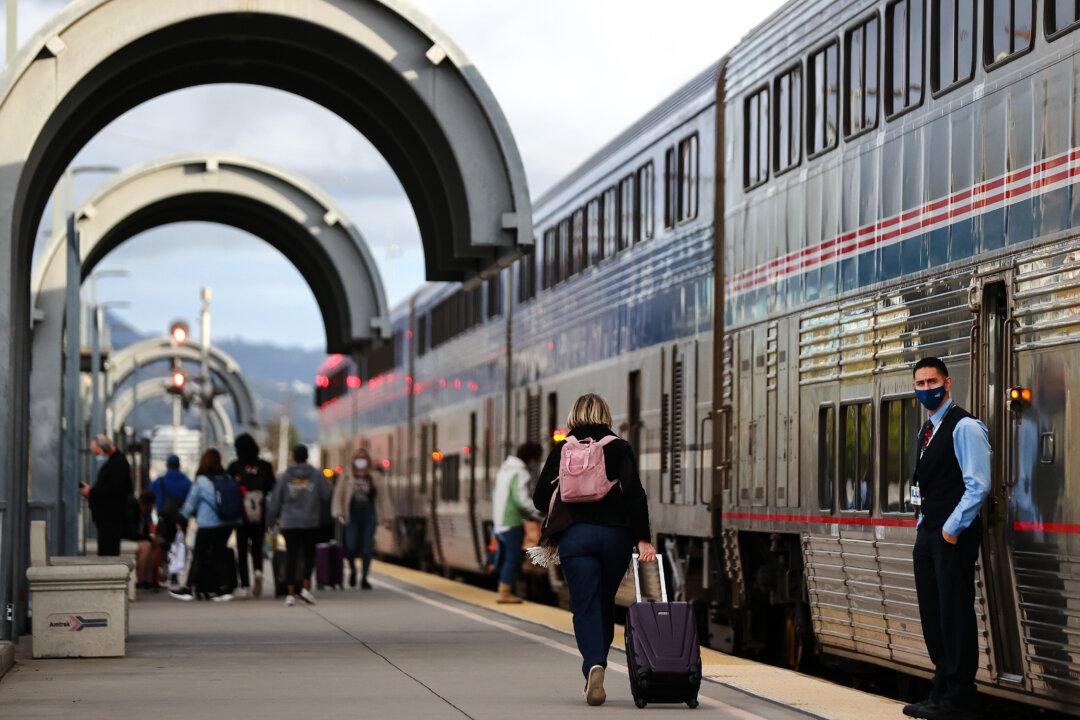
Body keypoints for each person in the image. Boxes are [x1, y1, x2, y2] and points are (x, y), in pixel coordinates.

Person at [532, 393, 655, 707]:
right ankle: (597, 662)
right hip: (615, 538)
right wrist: (643, 539)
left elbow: (538, 498)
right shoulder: (619, 447)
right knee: (604, 602)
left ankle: (593, 665)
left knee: (584, 606)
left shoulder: (563, 448)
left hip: (576, 538)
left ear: (573, 415)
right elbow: (635, 496)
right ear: (606, 414)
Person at [903, 357, 990, 720]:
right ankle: (942, 684)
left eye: (932, 382)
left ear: (948, 383)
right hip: (929, 533)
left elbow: (978, 485)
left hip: (951, 536)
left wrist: (950, 529)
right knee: (933, 613)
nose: (926, 389)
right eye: (920, 383)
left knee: (954, 611)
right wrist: (925, 523)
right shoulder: (928, 430)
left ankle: (959, 693)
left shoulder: (965, 426)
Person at [169, 449, 240, 602]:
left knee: (199, 556)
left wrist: (181, 517)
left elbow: (190, 503)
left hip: (208, 524)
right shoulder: (227, 477)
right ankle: (224, 588)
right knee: (220, 554)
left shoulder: (201, 481)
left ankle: (188, 588)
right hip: (227, 523)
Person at [267, 444, 331, 607]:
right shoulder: (316, 475)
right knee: (309, 555)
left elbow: (275, 501)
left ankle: (290, 593)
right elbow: (326, 494)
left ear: (294, 457)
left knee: (292, 556)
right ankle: (305, 588)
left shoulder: (284, 476)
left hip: (289, 523)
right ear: (307, 457)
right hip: (310, 521)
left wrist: (271, 520)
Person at [491, 441, 544, 603]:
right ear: (532, 458)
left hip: (500, 520)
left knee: (507, 556)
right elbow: (520, 499)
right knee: (513, 557)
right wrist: (536, 511)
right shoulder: (520, 473)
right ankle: (504, 592)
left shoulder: (505, 470)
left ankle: (505, 587)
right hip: (512, 520)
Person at [227, 434, 275, 598]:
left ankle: (245, 585)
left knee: (241, 548)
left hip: (241, 514)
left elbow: (230, 490)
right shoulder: (265, 466)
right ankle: (258, 572)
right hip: (259, 513)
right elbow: (271, 488)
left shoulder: (234, 466)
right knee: (257, 547)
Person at [79, 434, 134, 556]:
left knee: (108, 552)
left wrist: (91, 492)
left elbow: (113, 490)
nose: (97, 457)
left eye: (97, 453)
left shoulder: (117, 464)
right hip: (108, 518)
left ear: (104, 448)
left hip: (111, 518)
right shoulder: (117, 463)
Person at [332, 448, 379, 589]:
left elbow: (383, 498)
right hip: (351, 513)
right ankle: (352, 569)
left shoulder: (374, 477)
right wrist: (338, 512)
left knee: (367, 548)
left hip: (369, 514)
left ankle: (364, 577)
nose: (361, 461)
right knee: (350, 547)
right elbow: (338, 495)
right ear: (354, 460)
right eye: (358, 458)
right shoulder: (346, 476)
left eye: (363, 458)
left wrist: (386, 517)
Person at [149, 454, 193, 587]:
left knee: (163, 545)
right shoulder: (186, 481)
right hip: (181, 520)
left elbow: (150, 496)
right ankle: (174, 575)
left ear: (167, 465)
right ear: (179, 465)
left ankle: (163, 568)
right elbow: (191, 500)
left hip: (164, 518)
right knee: (178, 545)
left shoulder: (159, 481)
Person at [134, 491, 159, 590]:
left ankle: (149, 580)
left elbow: (147, 531)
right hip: (131, 539)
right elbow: (133, 532)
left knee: (152, 547)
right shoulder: (134, 512)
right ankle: (141, 579)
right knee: (146, 546)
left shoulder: (145, 515)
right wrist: (149, 538)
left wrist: (152, 538)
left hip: (139, 539)